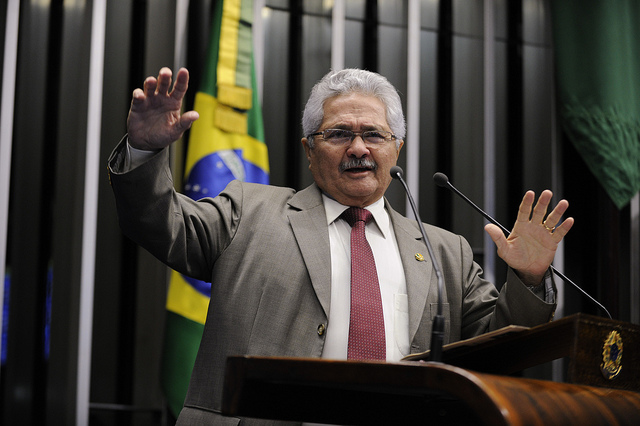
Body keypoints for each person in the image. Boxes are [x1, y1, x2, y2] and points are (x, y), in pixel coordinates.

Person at [108, 67, 573, 424]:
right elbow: (160, 224)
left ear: (397, 148)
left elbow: (498, 348)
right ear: (310, 149)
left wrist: (529, 278)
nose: (358, 148)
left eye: (373, 134)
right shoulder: (247, 210)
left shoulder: (443, 251)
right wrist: (146, 151)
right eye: (337, 134)